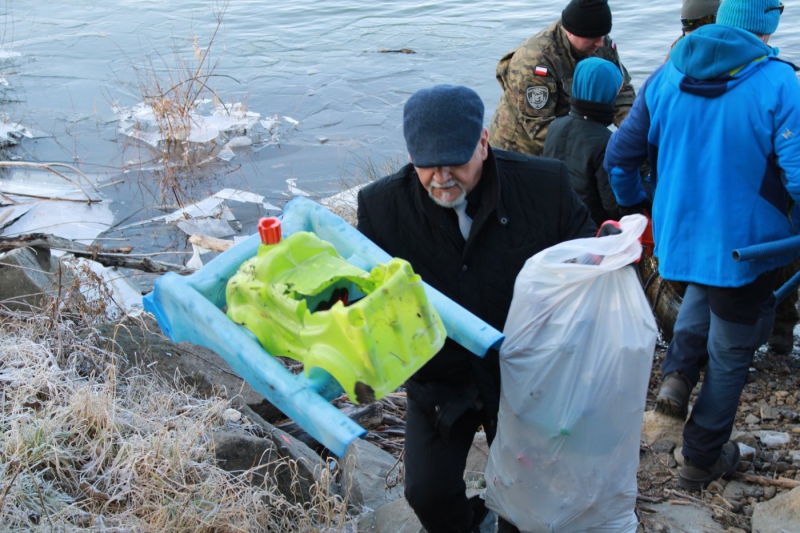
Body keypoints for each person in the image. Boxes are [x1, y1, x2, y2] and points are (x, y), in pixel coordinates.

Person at [357, 85, 595, 532]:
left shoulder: (545, 185)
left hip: (525, 375)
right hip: (442, 378)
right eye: (428, 165)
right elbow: (363, 294)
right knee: (425, 491)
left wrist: (605, 255)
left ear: (483, 143)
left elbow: (584, 257)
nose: (442, 177)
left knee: (527, 499)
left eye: (455, 162)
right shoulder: (381, 208)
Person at [604, 0, 800, 491]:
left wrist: (644, 208)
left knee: (700, 290)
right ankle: (700, 458)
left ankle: (675, 379)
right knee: (732, 354)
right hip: (746, 247)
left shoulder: (669, 72)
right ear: (768, 23)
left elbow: (619, 156)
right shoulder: (780, 82)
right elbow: (798, 178)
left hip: (680, 237)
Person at [488, 0, 635, 157]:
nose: (600, 43)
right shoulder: (536, 61)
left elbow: (620, 91)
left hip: (575, 131)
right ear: (570, 31)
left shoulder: (600, 43)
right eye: (593, 37)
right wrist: (598, 148)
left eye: (603, 35)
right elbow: (539, 128)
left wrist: (633, 130)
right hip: (521, 151)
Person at [543, 57, 624, 226]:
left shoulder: (555, 126)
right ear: (607, 93)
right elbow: (613, 206)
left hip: (555, 220)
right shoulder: (606, 141)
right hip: (588, 228)